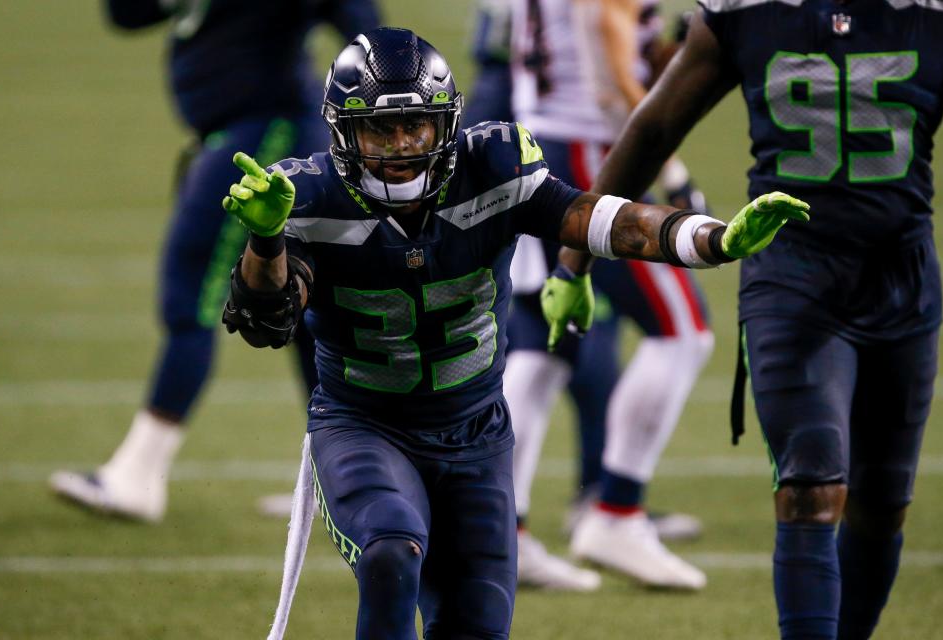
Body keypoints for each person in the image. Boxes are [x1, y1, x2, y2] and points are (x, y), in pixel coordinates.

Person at [220, 26, 808, 639]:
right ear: (346, 133)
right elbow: (270, 314)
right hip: (365, 425)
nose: (399, 145)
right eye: (379, 129)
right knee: (391, 550)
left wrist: (707, 238)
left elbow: (599, 218)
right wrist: (266, 241)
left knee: (476, 622)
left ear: (444, 125)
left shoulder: (491, 169)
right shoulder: (312, 197)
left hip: (476, 434)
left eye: (415, 126)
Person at [550, 2, 943, 638]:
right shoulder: (746, 12)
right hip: (794, 278)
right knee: (810, 489)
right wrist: (575, 259)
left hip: (900, 282)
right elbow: (655, 126)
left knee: (881, 509)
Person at [49, 0, 379, 522]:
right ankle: (351, 476)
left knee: (193, 295)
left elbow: (364, 26)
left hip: (263, 130)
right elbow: (126, 15)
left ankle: (138, 473)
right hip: (238, 128)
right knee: (307, 313)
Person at [505, 0, 714, 590]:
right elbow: (606, 44)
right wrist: (673, 171)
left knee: (545, 346)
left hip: (540, 141)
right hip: (591, 149)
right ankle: (616, 511)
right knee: (683, 332)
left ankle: (501, 532)